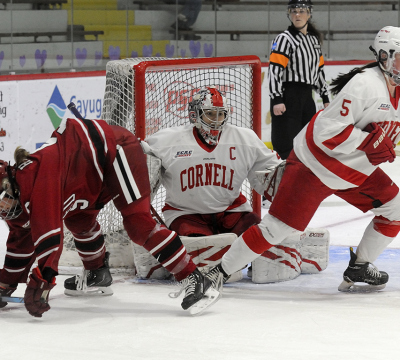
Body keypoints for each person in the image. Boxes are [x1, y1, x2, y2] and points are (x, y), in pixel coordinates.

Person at [206, 26, 400, 294]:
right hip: (315, 165)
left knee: (396, 209)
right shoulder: (365, 85)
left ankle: (360, 266)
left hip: (354, 170)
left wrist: (370, 146)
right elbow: (327, 133)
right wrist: (367, 143)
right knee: (277, 229)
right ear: (383, 56)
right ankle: (216, 274)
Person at [0, 117, 216, 317]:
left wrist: (43, 281)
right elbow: (21, 240)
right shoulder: (16, 198)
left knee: (139, 225)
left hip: (115, 150)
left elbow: (49, 239)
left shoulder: (36, 183)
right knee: (79, 220)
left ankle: (194, 278)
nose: (1, 209)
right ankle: (97, 274)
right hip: (86, 172)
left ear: (8, 184)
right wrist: (5, 284)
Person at [142, 86, 283, 240]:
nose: (216, 120)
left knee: (258, 236)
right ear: (194, 115)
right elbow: (141, 174)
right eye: (210, 114)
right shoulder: (166, 142)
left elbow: (273, 172)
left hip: (232, 212)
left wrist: (286, 180)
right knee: (198, 248)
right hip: (186, 214)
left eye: (220, 114)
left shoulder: (244, 139)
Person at [269, 0, 330, 160]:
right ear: (289, 14)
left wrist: (325, 96)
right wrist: (276, 99)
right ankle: (283, 179)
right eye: (293, 11)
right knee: (286, 143)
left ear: (309, 13)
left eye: (302, 11)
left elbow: (319, 70)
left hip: (306, 97)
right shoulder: (284, 39)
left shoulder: (314, 41)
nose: (297, 14)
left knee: (307, 142)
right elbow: (275, 71)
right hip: (288, 96)